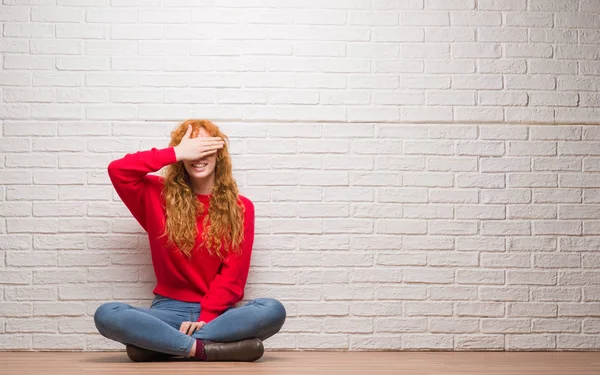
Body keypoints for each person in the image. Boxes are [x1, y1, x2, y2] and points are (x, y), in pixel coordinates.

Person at [93, 119, 286, 362]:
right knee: (107, 314)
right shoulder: (157, 195)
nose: (198, 154)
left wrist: (207, 315)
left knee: (272, 309)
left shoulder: (241, 208)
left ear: (219, 154)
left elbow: (233, 275)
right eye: (190, 147)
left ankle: (160, 344)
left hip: (218, 315)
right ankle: (202, 349)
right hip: (168, 310)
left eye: (204, 146)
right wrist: (175, 152)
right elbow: (118, 170)